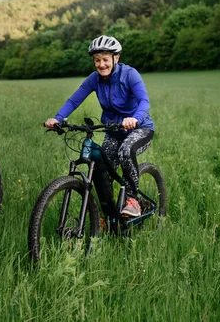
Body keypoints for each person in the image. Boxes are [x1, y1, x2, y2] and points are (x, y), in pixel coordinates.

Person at [44, 35, 155, 218]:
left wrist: (134, 118)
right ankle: (110, 217)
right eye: (97, 60)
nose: (101, 64)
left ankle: (133, 200)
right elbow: (75, 100)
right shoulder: (94, 79)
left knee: (126, 152)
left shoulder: (129, 74)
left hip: (139, 128)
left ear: (116, 58)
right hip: (113, 131)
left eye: (105, 59)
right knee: (102, 173)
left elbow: (144, 100)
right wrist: (58, 118)